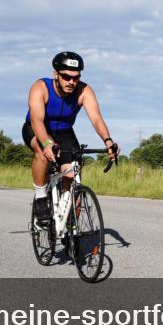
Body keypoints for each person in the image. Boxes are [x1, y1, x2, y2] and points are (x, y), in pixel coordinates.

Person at [23, 51, 118, 225]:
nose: (71, 82)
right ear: (55, 74)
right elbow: (37, 121)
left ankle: (69, 223)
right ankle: (41, 197)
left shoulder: (84, 90)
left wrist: (108, 140)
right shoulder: (40, 87)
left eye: (75, 77)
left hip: (65, 132)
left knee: (73, 173)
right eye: (66, 77)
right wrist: (46, 143)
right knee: (42, 153)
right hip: (37, 128)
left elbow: (96, 118)